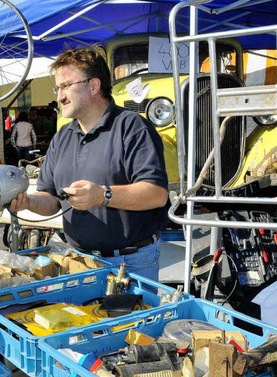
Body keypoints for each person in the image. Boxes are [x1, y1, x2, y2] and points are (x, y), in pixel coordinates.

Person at [10, 46, 168, 280]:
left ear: (94, 86)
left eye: (65, 86)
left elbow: (156, 194)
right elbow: (52, 199)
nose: (59, 96)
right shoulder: (62, 136)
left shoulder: (132, 127)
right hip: (79, 261)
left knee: (133, 319)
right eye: (57, 87)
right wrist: (28, 202)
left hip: (130, 264)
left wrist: (101, 195)